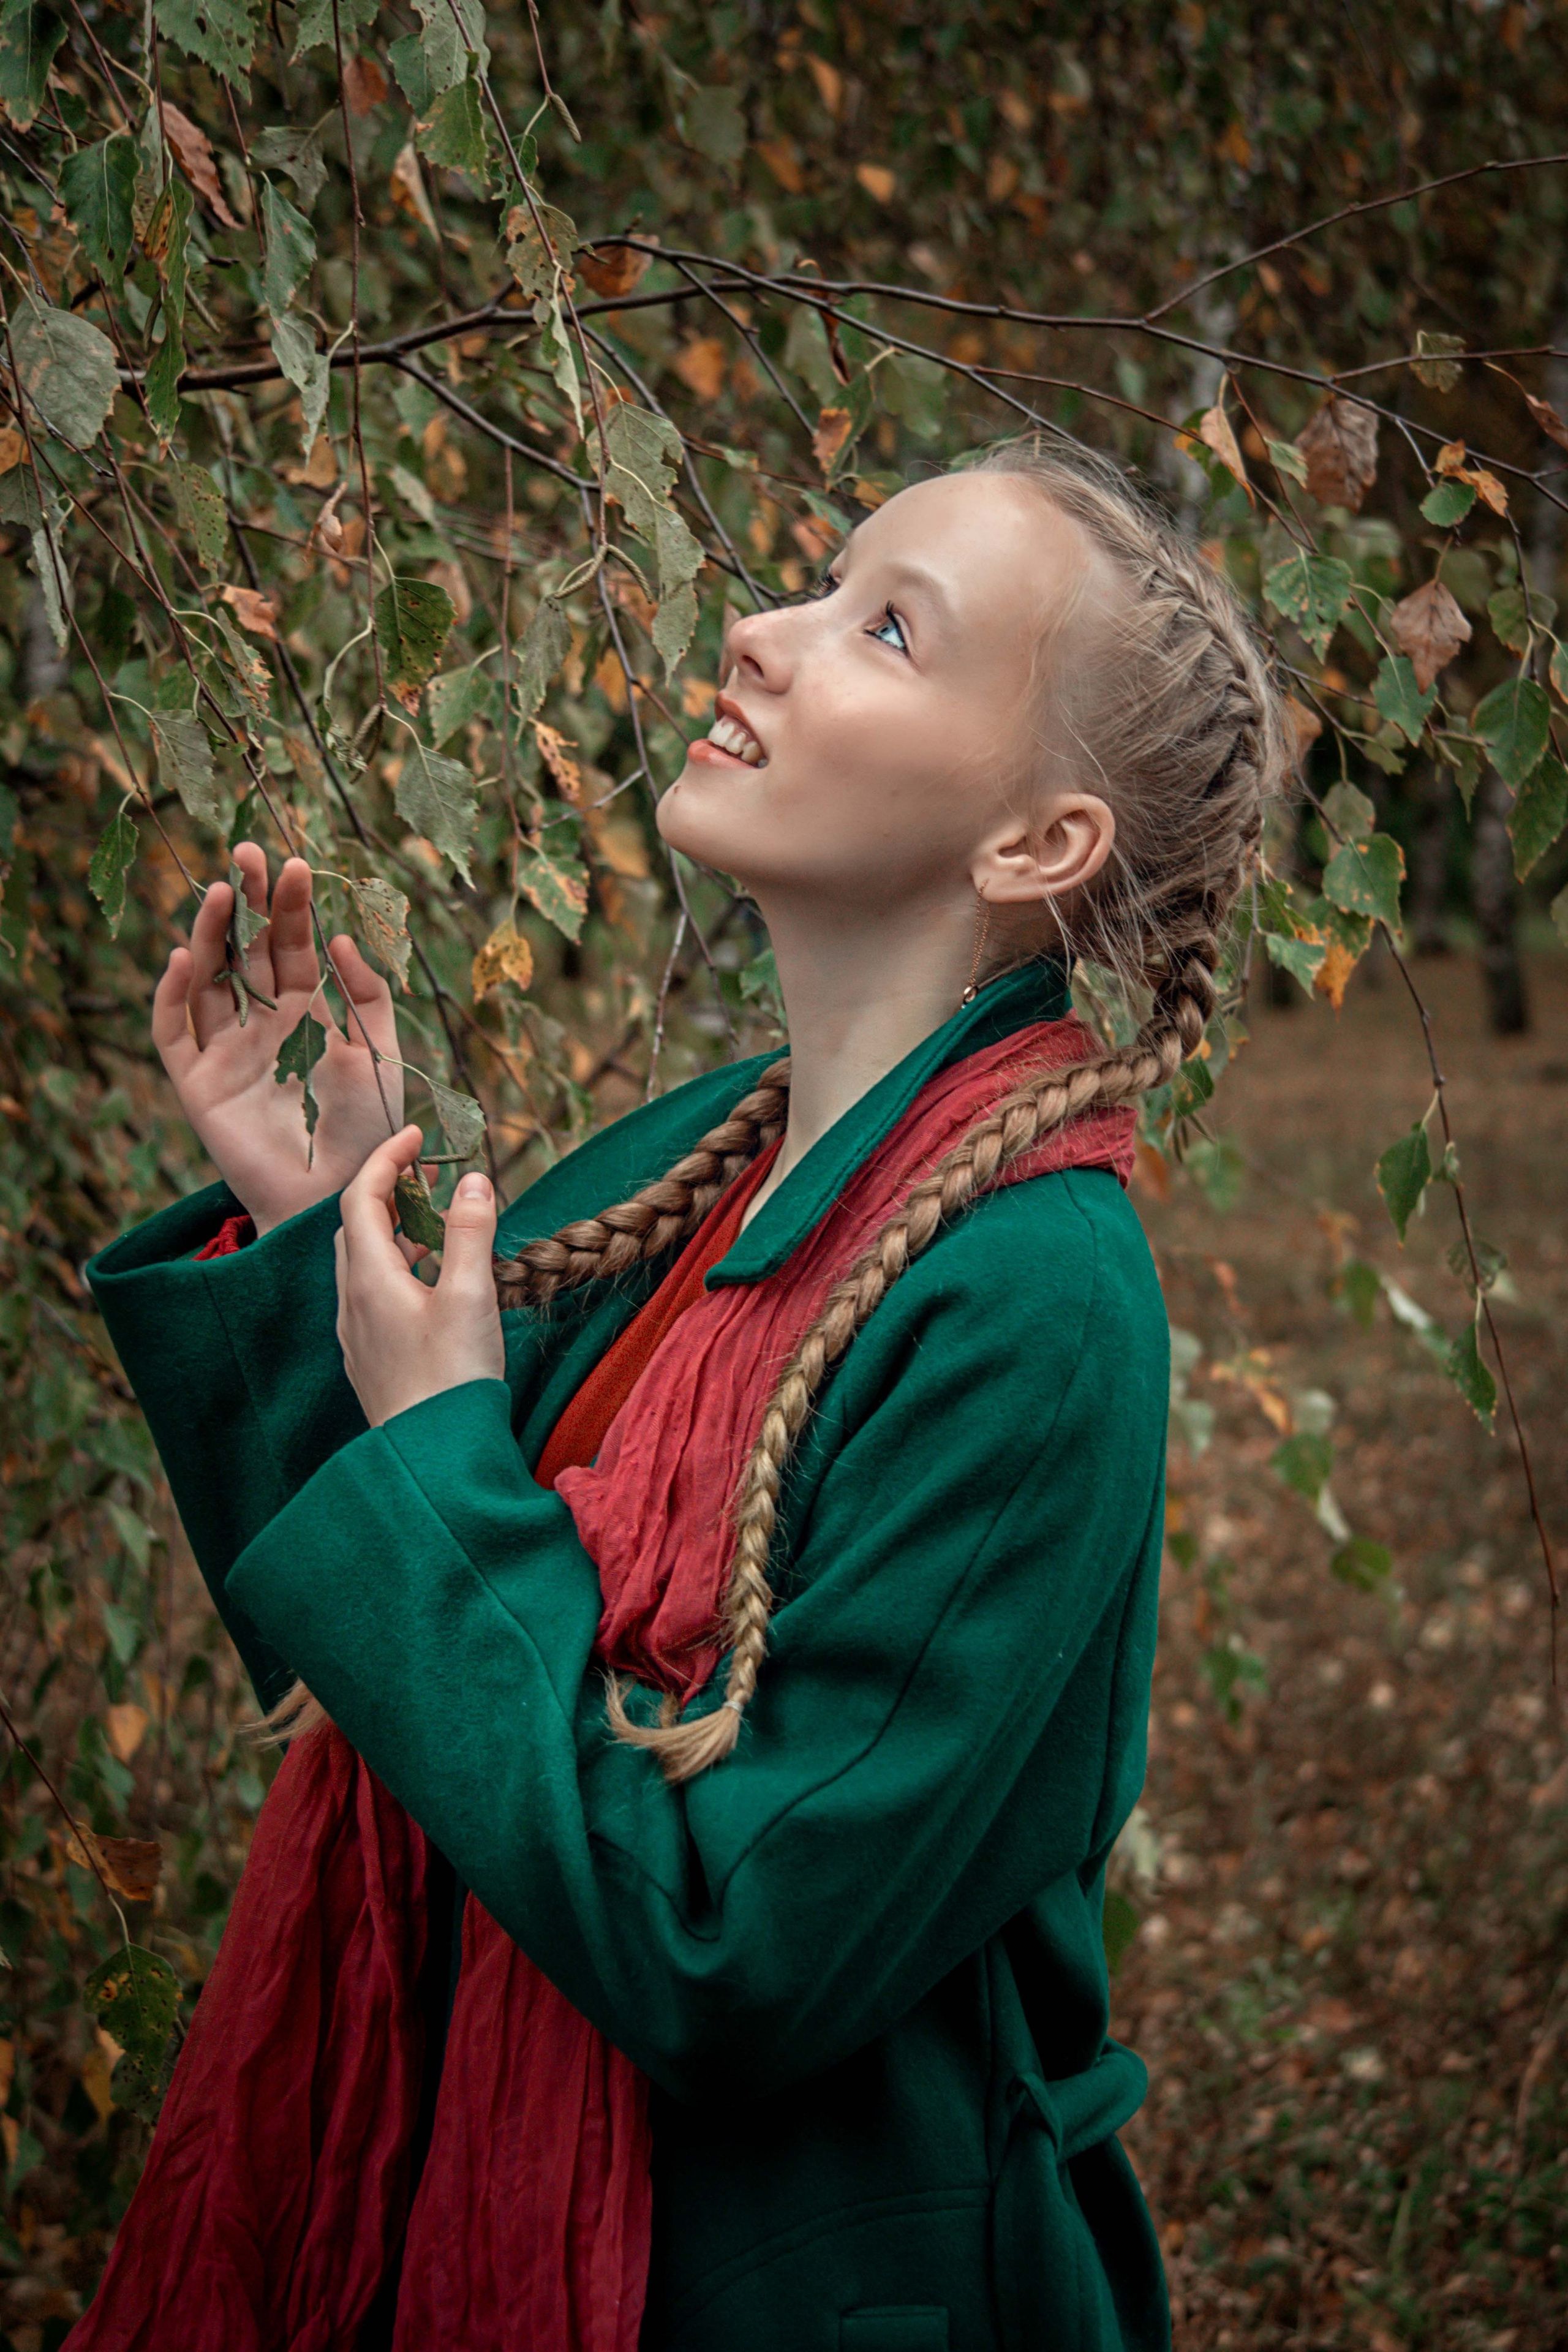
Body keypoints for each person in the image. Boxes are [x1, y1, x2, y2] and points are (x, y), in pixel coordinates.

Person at [73, 442, 1285, 2352]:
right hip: (434, 2190)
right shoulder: (710, 1153)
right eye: (824, 580)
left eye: (885, 629)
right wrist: (317, 1233)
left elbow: (728, 1945)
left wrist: (440, 1445)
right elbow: (411, 1668)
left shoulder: (1037, 1301)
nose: (762, 632)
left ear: (1036, 845)